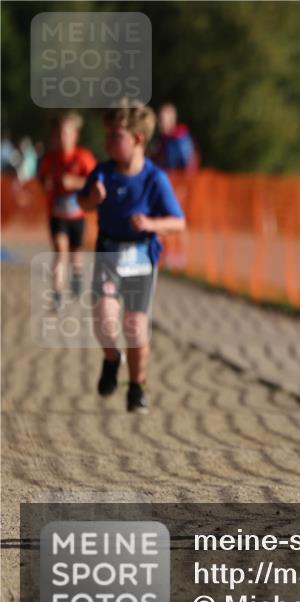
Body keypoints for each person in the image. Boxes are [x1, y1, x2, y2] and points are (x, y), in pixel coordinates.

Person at [78, 101, 186, 413]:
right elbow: (83, 204)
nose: (108, 142)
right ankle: (112, 358)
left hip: (140, 256)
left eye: (116, 136)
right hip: (109, 253)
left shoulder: (154, 178)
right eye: (107, 135)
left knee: (135, 326)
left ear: (138, 139)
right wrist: (91, 199)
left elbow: (178, 221)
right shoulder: (103, 172)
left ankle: (136, 387)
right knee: (103, 319)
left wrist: (152, 224)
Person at [38, 111, 98, 305]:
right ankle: (56, 293)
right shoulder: (51, 159)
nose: (62, 138)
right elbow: (42, 179)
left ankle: (78, 277)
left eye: (66, 133)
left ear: (75, 136)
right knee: (60, 252)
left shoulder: (83, 157)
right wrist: (46, 183)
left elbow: (94, 181)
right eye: (59, 134)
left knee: (76, 254)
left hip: (77, 215)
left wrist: (75, 182)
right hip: (57, 215)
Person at [150, 103, 198, 172]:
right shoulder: (163, 139)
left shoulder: (181, 141)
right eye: (158, 119)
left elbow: (188, 168)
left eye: (161, 119)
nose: (159, 123)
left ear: (171, 120)